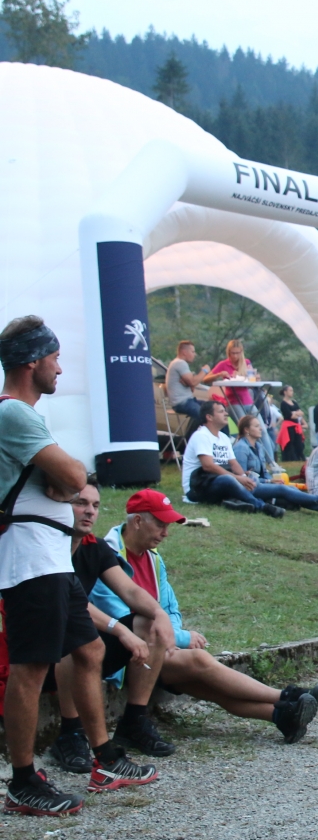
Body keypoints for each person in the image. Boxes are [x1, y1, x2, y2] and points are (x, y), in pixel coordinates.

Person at [0, 317, 157, 814]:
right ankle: (22, 781)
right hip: (29, 560)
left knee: (88, 651)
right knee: (30, 668)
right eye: (54, 359)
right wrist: (64, 477)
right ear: (32, 362)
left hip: (49, 559)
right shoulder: (14, 413)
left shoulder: (22, 415)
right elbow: (73, 475)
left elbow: (70, 481)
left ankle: (105, 758)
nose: (60, 369)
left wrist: (64, 479)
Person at [92, 491, 318, 745]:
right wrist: (179, 639)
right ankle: (287, 696)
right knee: (198, 659)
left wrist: (170, 638)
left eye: (168, 526)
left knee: (205, 684)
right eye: (160, 525)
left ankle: (282, 715)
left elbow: (170, 608)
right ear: (137, 521)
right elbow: (123, 618)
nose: (166, 533)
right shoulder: (107, 557)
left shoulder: (153, 557)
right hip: (124, 652)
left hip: (157, 647)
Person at [51, 479, 178, 770]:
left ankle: (134, 719)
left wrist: (160, 614)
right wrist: (120, 630)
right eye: (80, 503)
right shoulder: (46, 546)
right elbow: (69, 603)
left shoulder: (94, 547)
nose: (90, 511)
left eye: (95, 505)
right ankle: (70, 733)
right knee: (71, 635)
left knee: (149, 621)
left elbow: (130, 591)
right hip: (38, 653)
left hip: (88, 650)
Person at [180, 400, 285, 518]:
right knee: (228, 479)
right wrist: (238, 478)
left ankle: (239, 502)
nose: (226, 413)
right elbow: (208, 466)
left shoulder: (224, 437)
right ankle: (262, 506)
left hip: (216, 483)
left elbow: (233, 463)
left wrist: (245, 478)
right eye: (221, 411)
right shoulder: (201, 436)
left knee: (248, 481)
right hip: (197, 488)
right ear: (209, 417)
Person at [232, 415, 318, 516]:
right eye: (256, 426)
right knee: (282, 489)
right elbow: (243, 479)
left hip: (260, 484)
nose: (260, 428)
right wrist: (268, 482)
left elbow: (263, 472)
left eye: (259, 426)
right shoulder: (241, 448)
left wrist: (271, 480)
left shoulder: (259, 447)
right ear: (246, 430)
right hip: (251, 487)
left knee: (291, 489)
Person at [164, 340, 222, 421]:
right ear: (184, 352)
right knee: (208, 417)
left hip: (188, 401)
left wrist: (190, 383)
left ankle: (219, 430)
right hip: (182, 403)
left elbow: (192, 386)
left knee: (217, 408)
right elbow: (193, 382)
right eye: (193, 352)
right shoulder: (180, 363)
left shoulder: (178, 363)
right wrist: (205, 370)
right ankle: (219, 429)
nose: (195, 354)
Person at [210, 339, 258, 423]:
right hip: (233, 401)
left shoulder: (246, 362)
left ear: (241, 352)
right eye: (233, 353)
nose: (235, 356)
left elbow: (252, 381)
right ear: (228, 352)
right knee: (245, 426)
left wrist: (254, 376)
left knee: (259, 426)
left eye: (237, 353)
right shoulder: (223, 364)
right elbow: (206, 379)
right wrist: (219, 374)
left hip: (247, 400)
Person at [277, 385, 307, 460]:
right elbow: (290, 416)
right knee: (290, 443)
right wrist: (296, 413)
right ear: (285, 392)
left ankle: (300, 457)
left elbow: (301, 413)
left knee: (299, 443)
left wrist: (295, 413)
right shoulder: (283, 403)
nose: (292, 392)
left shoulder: (294, 402)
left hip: (296, 425)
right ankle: (291, 458)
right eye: (290, 390)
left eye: (292, 390)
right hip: (288, 426)